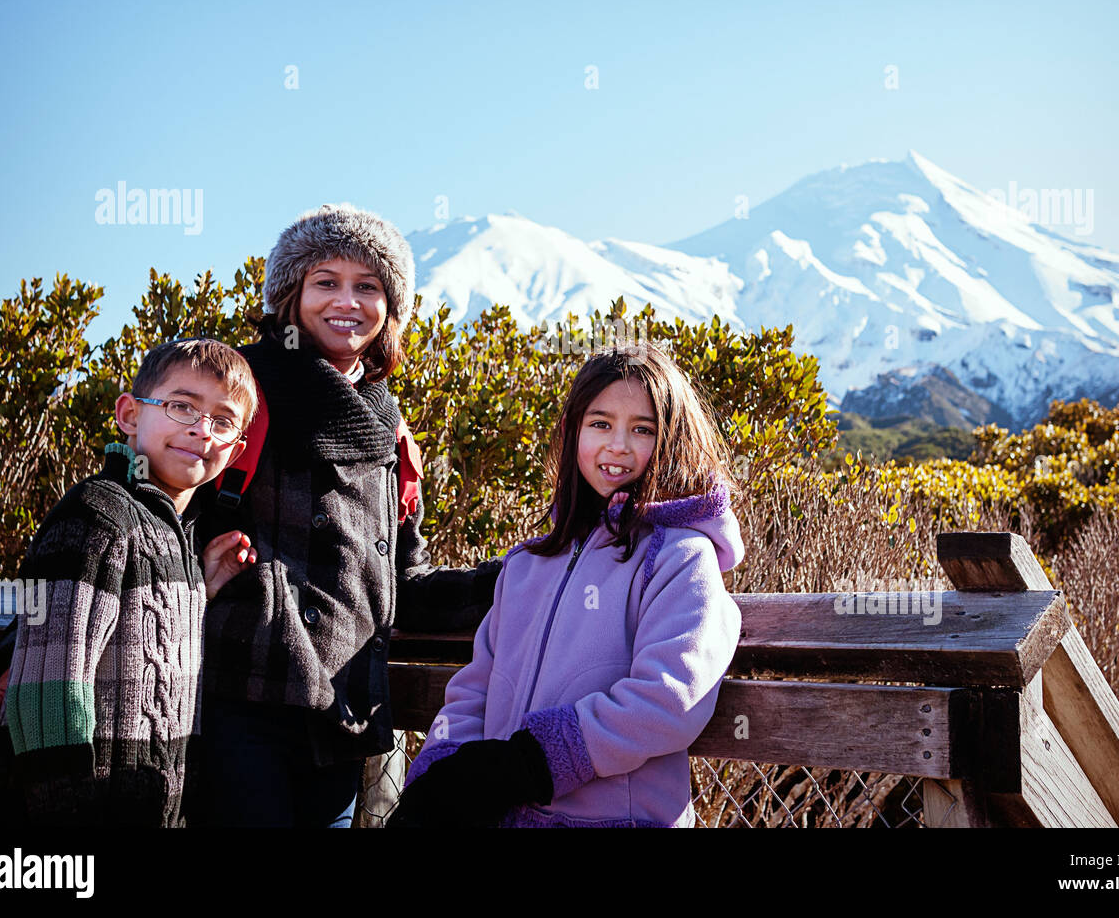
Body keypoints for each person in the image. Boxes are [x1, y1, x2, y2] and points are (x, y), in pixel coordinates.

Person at [194, 203, 501, 828]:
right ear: (290, 295)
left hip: (340, 721)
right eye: (325, 282)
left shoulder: (390, 433)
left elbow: (401, 584)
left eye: (368, 286)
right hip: (238, 708)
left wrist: (514, 580)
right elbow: (132, 512)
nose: (347, 301)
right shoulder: (235, 395)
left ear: (391, 308)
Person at [389, 341, 743, 828]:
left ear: (672, 441)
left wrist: (533, 763)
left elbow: (669, 698)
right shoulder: (531, 564)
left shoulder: (681, 558)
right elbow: (476, 688)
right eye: (600, 424)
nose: (617, 445)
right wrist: (444, 772)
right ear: (573, 432)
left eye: (642, 429)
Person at [0, 338, 260, 827]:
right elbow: (47, 692)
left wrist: (201, 590)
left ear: (236, 450)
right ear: (130, 415)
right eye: (181, 407)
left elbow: (144, 641)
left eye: (222, 421)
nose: (200, 430)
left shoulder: (171, 536)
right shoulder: (97, 513)